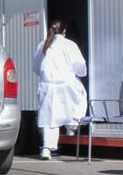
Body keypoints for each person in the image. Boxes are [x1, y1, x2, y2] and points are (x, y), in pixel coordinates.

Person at [32, 19, 87, 160]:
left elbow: (36, 67)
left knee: (49, 118)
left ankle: (46, 149)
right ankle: (71, 126)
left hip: (48, 86)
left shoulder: (42, 45)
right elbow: (80, 67)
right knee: (79, 97)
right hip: (66, 86)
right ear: (64, 31)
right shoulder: (70, 45)